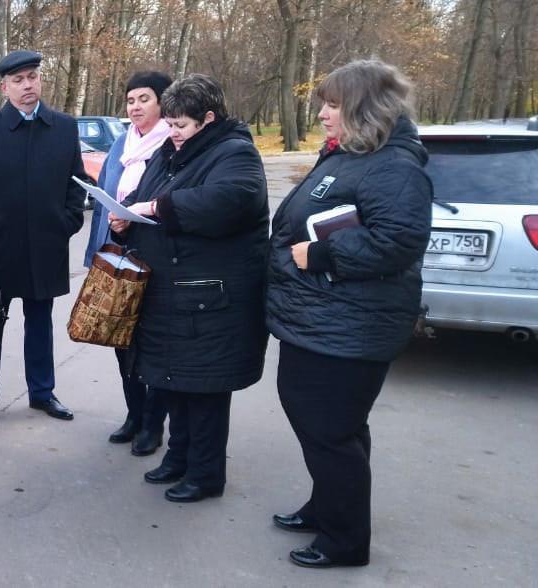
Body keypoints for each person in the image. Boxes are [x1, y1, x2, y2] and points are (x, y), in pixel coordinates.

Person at [266, 60, 432, 569]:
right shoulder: (355, 156)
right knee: (332, 427)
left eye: (333, 105)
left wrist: (318, 255)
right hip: (323, 319)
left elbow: (398, 240)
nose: (321, 114)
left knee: (330, 431)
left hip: (349, 326)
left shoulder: (393, 165)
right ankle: (327, 508)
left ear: (363, 109)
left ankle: (344, 543)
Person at [109, 74, 269, 503]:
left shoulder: (234, 153)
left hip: (210, 298)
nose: (173, 133)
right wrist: (125, 222)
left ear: (208, 119)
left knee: (204, 390)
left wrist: (158, 207)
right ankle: (177, 458)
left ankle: (205, 474)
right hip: (171, 294)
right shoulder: (171, 151)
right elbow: (144, 197)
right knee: (172, 382)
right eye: (171, 124)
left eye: (181, 125)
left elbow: (230, 201)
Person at [0, 50, 86, 427]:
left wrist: (67, 222)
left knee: (40, 322)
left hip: (47, 246)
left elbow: (75, 183)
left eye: (32, 76)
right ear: (4, 87)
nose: (27, 85)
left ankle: (42, 392)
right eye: (18, 80)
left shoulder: (63, 127)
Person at [82, 70, 174, 456]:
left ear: (163, 102)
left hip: (157, 261)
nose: (135, 107)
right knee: (122, 341)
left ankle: (154, 424)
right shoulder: (120, 143)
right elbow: (103, 201)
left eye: (144, 99)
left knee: (156, 347)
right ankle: (134, 414)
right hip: (119, 258)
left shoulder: (173, 143)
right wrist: (94, 256)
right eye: (131, 100)